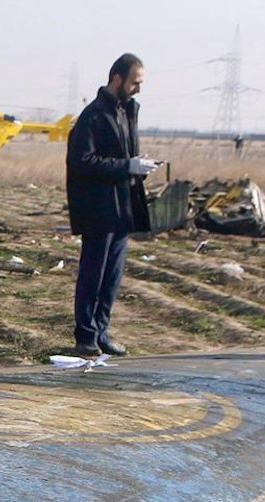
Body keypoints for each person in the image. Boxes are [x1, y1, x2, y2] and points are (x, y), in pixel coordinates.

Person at [65, 53, 156, 358]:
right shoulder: (92, 116)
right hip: (98, 210)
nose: (138, 89)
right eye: (135, 82)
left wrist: (138, 167)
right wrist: (127, 166)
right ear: (117, 78)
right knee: (93, 274)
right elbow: (82, 162)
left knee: (112, 277)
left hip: (122, 209)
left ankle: (101, 331)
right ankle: (86, 336)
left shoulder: (128, 112)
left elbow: (124, 156)